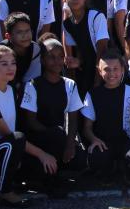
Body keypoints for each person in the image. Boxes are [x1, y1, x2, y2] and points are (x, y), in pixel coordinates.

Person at [0, 45, 55, 207]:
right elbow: (8, 134)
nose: (10, 68)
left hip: (4, 151)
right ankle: (5, 191)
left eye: (13, 63)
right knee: (17, 139)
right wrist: (41, 153)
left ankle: (4, 178)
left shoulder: (10, 90)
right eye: (4, 64)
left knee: (41, 169)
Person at [20, 38, 87, 193]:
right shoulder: (32, 85)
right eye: (51, 57)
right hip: (39, 138)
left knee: (80, 160)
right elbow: (31, 122)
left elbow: (73, 119)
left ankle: (56, 169)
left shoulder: (69, 84)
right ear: (42, 60)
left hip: (59, 137)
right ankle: (49, 178)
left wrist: (69, 144)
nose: (57, 61)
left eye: (60, 56)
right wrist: (54, 133)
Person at [81, 50, 130, 186]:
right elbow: (87, 128)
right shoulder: (92, 94)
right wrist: (94, 139)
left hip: (127, 141)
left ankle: (128, 168)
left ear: (123, 69)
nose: (111, 73)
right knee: (98, 158)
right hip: (103, 142)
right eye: (107, 69)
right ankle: (109, 169)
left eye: (115, 69)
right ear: (99, 71)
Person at [62, 0, 110, 99]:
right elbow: (78, 49)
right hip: (84, 71)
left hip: (104, 71)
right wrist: (78, 62)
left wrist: (97, 80)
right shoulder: (67, 23)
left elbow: (102, 50)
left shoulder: (96, 17)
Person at [0, 12, 42, 103]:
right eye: (19, 32)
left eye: (27, 31)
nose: (25, 35)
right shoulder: (0, 52)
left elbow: (32, 79)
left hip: (24, 90)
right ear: (8, 36)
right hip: (1, 89)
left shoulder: (35, 49)